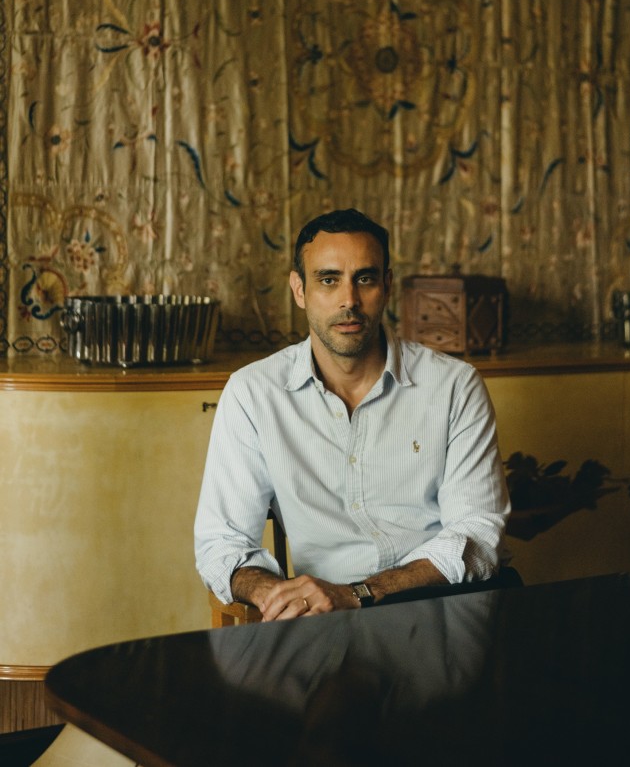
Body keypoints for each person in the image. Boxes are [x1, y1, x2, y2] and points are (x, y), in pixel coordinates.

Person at [194, 208, 510, 621]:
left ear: (387, 286)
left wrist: (360, 592)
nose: (349, 300)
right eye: (328, 280)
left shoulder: (454, 386)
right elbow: (222, 541)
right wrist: (273, 591)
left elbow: (479, 536)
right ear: (299, 290)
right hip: (326, 623)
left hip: (445, 610)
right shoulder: (253, 394)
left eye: (365, 278)